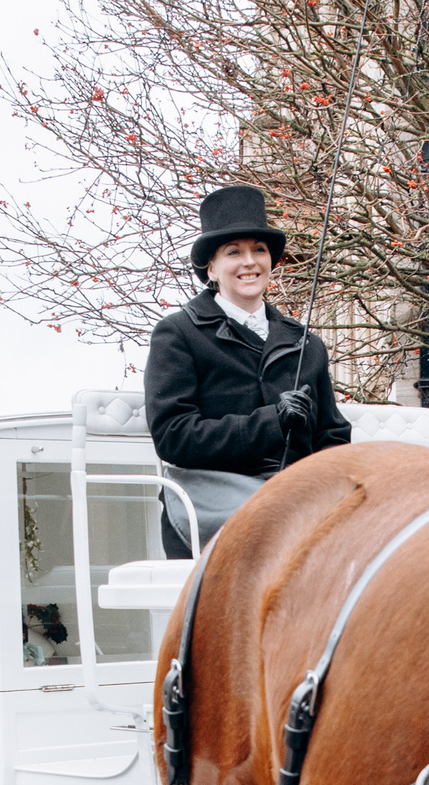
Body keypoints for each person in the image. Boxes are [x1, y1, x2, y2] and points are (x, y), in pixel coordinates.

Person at [144, 185, 352, 556]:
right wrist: (271, 423)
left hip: (296, 496)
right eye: (233, 252)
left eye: (259, 249)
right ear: (211, 267)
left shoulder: (306, 344)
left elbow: (332, 436)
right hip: (210, 496)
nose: (249, 262)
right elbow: (173, 436)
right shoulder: (178, 334)